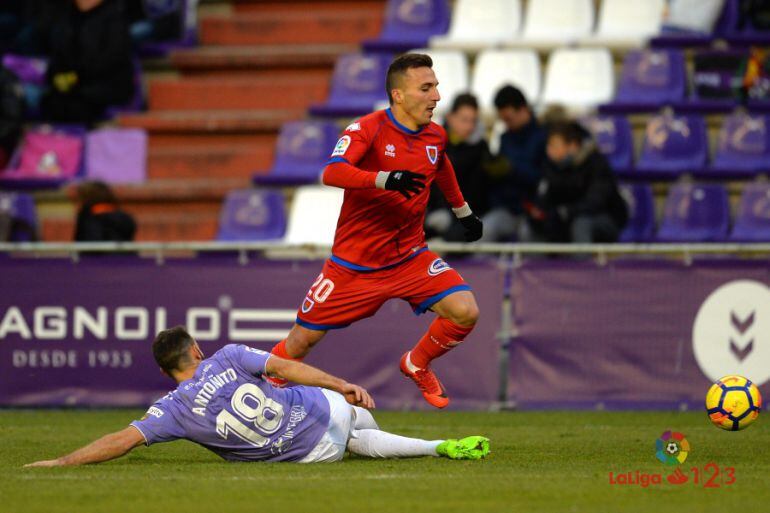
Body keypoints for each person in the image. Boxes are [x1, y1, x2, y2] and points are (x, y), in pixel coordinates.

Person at [267, 53, 484, 409]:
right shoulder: (366, 128)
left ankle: (416, 362)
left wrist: (463, 212)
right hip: (355, 266)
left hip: (409, 257)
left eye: (437, 87)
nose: (437, 97)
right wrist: (384, 179)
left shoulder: (435, 135)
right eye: (426, 88)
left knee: (466, 310)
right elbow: (332, 172)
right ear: (398, 95)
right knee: (299, 344)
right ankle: (258, 395)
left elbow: (440, 164)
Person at [24, 326, 490, 466]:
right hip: (323, 410)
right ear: (196, 351)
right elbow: (286, 367)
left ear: (168, 371)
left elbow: (122, 439)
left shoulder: (173, 411)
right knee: (352, 423)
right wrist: (340, 383)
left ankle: (434, 447)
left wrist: (62, 463)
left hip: (311, 454)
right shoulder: (225, 356)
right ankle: (433, 445)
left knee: (350, 441)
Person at [39, 0, 134, 124]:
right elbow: (58, 55)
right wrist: (58, 77)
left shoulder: (115, 18)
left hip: (103, 87)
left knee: (79, 106)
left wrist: (77, 76)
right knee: (47, 101)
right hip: (72, 86)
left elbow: (110, 59)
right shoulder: (68, 17)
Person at [533, 122, 628, 243]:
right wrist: (540, 210)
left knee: (581, 224)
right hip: (565, 218)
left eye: (554, 146)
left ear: (572, 146)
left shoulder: (596, 163)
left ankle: (582, 262)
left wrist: (565, 212)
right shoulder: (550, 166)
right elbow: (544, 195)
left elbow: (596, 201)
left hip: (603, 218)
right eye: (548, 145)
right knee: (532, 226)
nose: (549, 151)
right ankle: (537, 262)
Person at [425, 93, 495, 242]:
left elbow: (480, 192)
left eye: (473, 121)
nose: (469, 126)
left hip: (468, 215)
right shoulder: (434, 143)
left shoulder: (481, 149)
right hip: (437, 212)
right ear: (450, 117)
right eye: (464, 120)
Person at [485, 84, 547, 242]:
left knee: (528, 234)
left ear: (523, 109)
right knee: (483, 229)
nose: (506, 123)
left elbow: (542, 178)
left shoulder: (545, 137)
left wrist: (512, 169)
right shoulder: (505, 138)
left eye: (508, 119)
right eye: (503, 119)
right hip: (508, 209)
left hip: (536, 211)